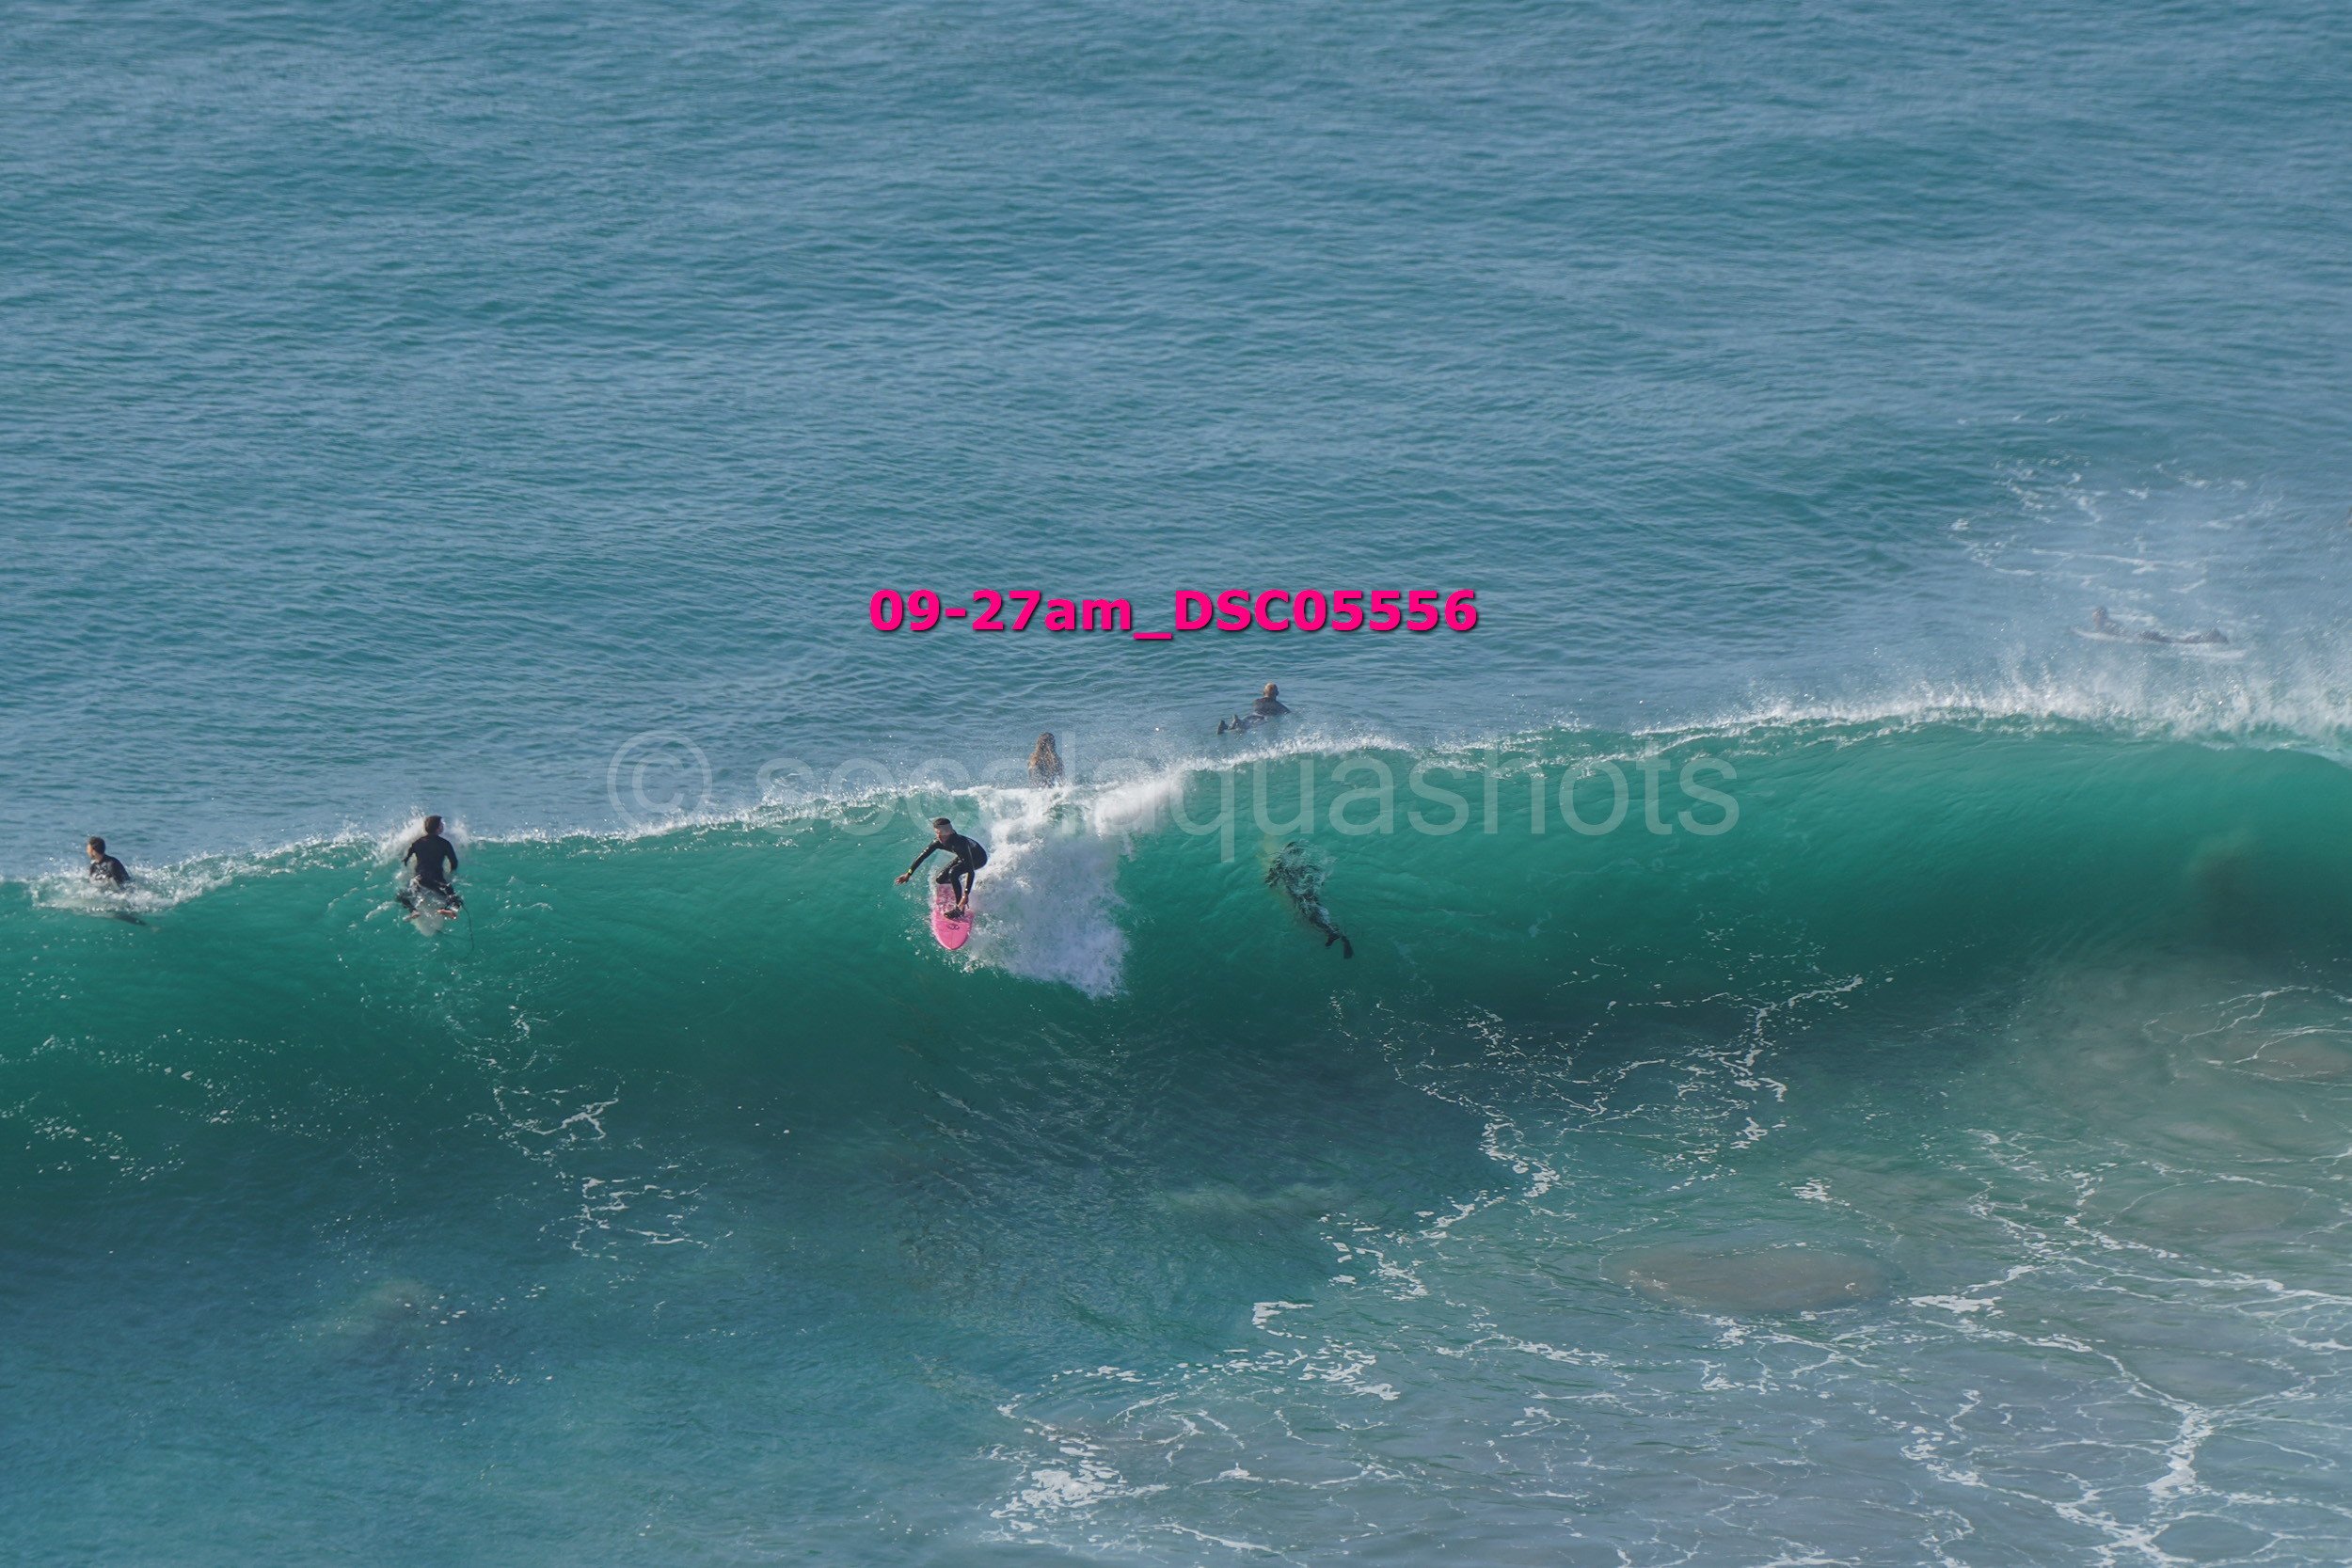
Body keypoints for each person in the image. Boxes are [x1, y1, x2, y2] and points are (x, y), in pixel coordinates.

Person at [898, 817, 987, 916]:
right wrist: (908, 874)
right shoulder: (938, 841)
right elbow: (922, 856)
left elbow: (971, 871)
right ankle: (956, 881)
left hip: (979, 859)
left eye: (941, 834)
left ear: (949, 832)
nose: (938, 837)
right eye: (936, 833)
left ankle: (960, 910)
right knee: (940, 880)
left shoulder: (960, 845)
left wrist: (965, 895)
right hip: (963, 857)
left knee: (953, 872)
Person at [400, 815, 462, 915]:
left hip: (420, 878)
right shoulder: (445, 843)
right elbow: (454, 863)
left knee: (401, 896)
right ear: (438, 828)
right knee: (454, 899)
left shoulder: (417, 842)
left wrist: (406, 859)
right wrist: (450, 874)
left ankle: (413, 911)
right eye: (441, 824)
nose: (443, 826)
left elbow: (407, 856)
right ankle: (445, 909)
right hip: (436, 879)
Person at [1218, 682, 1293, 736]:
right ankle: (1236, 722)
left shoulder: (1256, 701)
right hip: (1262, 717)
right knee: (1245, 729)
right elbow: (1288, 712)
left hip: (1253, 714)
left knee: (1244, 723)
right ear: (1277, 694)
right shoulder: (1277, 705)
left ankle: (1226, 727)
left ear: (1263, 692)